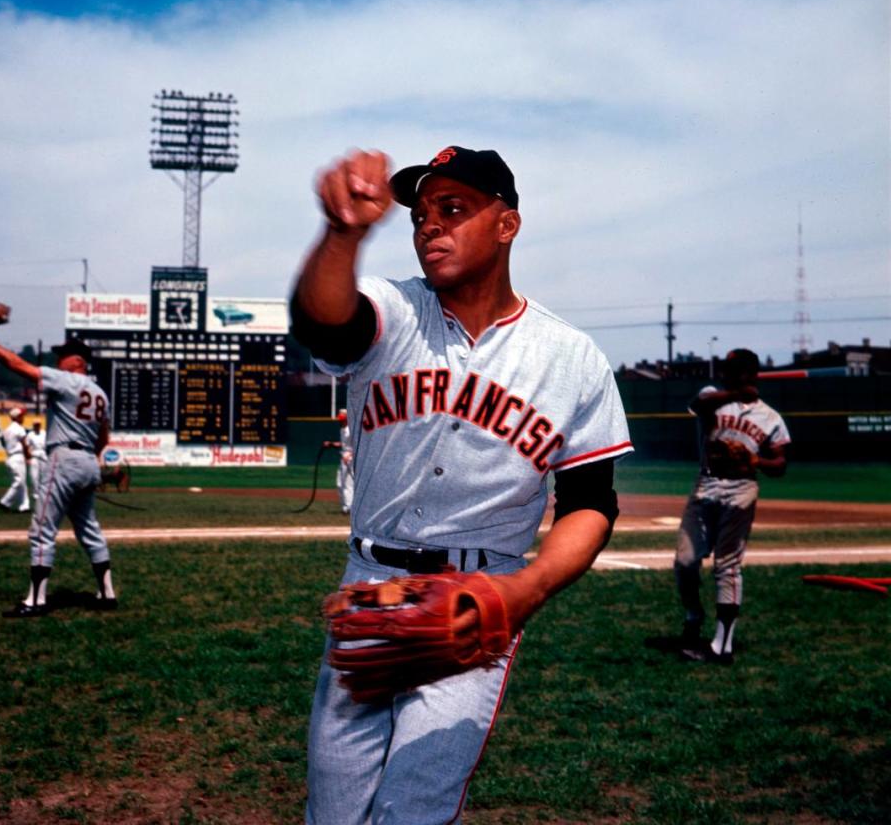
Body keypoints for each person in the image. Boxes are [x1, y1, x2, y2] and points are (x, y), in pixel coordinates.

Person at [291, 146, 633, 824]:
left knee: (414, 808)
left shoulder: (572, 357)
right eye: (420, 215)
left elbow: (592, 504)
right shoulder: (392, 309)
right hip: (371, 585)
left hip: (478, 602)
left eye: (453, 210)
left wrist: (525, 589)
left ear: (507, 224)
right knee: (332, 808)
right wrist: (342, 234)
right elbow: (325, 321)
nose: (429, 227)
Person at [0, 321, 118, 618]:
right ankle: (107, 593)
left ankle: (36, 601)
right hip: (89, 461)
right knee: (90, 530)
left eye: (62, 355)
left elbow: (15, 364)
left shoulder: (65, 379)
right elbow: (104, 438)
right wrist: (90, 461)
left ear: (76, 360)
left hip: (63, 458)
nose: (57, 359)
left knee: (42, 530)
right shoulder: (101, 393)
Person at [674, 347, 790, 663]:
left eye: (737, 369)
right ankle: (693, 614)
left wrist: (756, 459)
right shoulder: (713, 395)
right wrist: (738, 392)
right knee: (685, 562)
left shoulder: (770, 418)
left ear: (752, 372)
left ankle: (721, 646)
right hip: (706, 484)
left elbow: (780, 463)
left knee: (727, 565)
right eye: (729, 368)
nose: (728, 372)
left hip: (741, 489)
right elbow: (699, 405)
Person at [0, 407, 31, 513]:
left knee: (22, 482)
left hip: (10, 457)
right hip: (18, 457)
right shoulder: (19, 428)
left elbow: (3, 443)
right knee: (19, 481)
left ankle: (24, 505)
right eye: (22, 416)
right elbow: (24, 444)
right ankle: (4, 502)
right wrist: (28, 455)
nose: (23, 418)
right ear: (17, 417)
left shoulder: (6, 430)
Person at [322, 409, 355, 514]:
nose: (340, 421)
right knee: (340, 483)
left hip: (350, 459)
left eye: (342, 419)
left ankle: (348, 508)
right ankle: (345, 506)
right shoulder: (343, 429)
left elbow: (357, 445)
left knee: (348, 484)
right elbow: (343, 445)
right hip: (343, 457)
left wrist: (350, 455)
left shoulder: (351, 430)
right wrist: (331, 444)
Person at [25, 419, 49, 502]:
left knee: (44, 475)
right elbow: (27, 447)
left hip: (43, 455)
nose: (37, 426)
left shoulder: (44, 433)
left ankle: (44, 492)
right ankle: (36, 494)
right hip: (34, 455)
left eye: (38, 424)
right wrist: (27, 458)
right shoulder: (30, 435)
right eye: (35, 425)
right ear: (33, 426)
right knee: (34, 476)